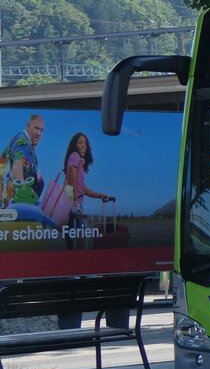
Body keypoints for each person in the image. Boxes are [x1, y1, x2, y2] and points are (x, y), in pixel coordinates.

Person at [60, 133, 121, 330]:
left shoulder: (80, 160)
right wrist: (74, 205)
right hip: (73, 205)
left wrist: (100, 195)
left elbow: (82, 187)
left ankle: (75, 274)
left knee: (74, 241)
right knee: (76, 241)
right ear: (74, 145)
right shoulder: (75, 158)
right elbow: (70, 182)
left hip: (75, 203)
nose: (83, 145)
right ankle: (76, 275)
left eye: (85, 142)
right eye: (80, 142)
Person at [2, 113, 45, 207]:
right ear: (28, 126)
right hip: (16, 205)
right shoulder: (23, 143)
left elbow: (2, 159)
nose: (39, 133)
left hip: (8, 201)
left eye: (41, 130)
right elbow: (17, 164)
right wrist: (22, 194)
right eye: (36, 128)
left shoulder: (16, 139)